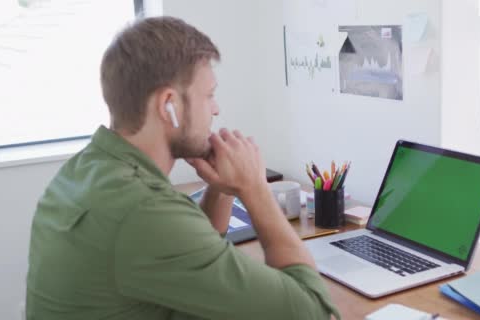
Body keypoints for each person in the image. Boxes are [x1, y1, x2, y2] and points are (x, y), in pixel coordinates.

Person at [25, 16, 340, 320]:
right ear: (168, 106)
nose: (216, 109)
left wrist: (222, 187)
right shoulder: (142, 210)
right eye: (209, 95)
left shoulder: (86, 170)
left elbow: (193, 247)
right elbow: (311, 311)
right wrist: (255, 188)